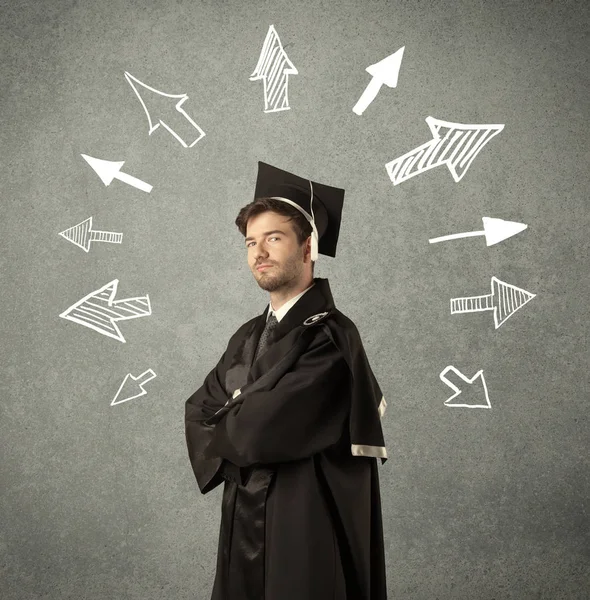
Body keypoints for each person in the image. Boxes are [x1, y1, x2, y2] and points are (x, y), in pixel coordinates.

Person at [184, 161, 389, 599]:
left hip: (304, 518)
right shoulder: (247, 335)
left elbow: (262, 428)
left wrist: (234, 410)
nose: (259, 252)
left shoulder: (332, 336)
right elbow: (197, 409)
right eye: (250, 243)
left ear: (307, 246)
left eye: (274, 238)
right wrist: (241, 410)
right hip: (242, 518)